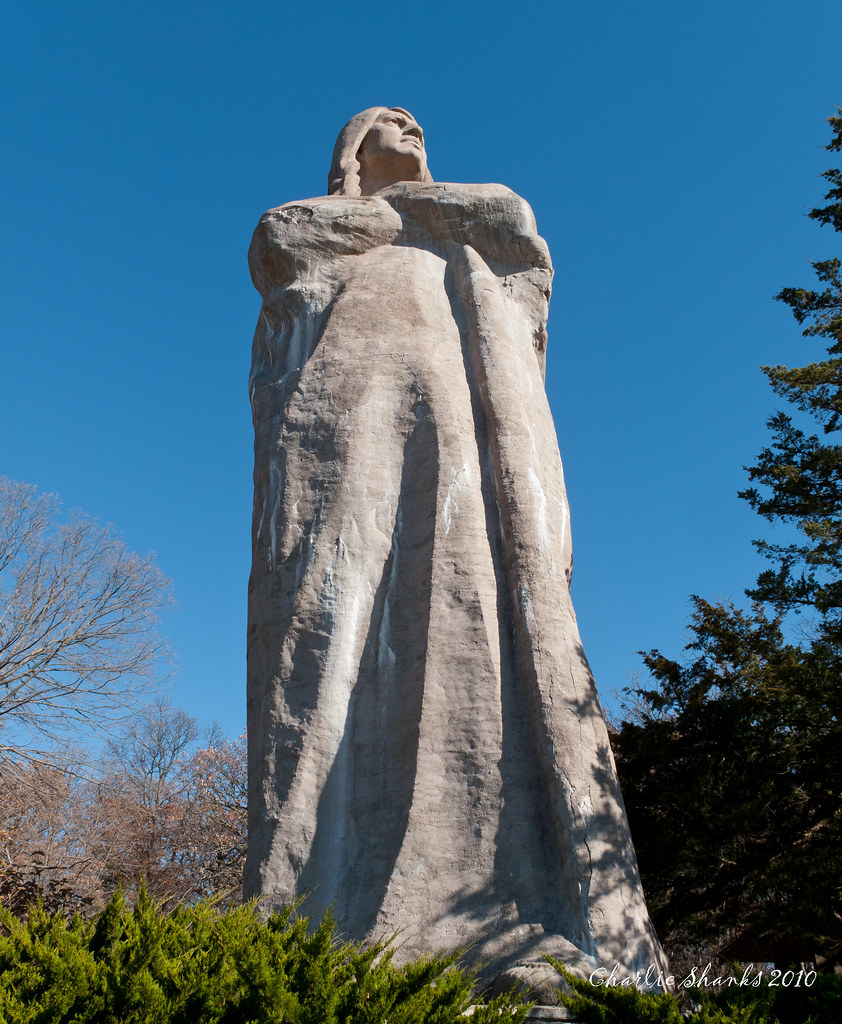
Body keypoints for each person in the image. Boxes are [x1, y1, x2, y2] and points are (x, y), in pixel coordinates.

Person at [246, 106, 665, 979]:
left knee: (470, 589)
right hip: (348, 409)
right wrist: (401, 219)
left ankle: (499, 894)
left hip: (466, 417)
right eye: (388, 121)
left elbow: (514, 230)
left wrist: (424, 216)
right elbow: (281, 245)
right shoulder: (322, 224)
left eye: (418, 122)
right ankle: (322, 906)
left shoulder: (460, 222)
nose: (412, 125)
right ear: (353, 149)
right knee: (337, 606)